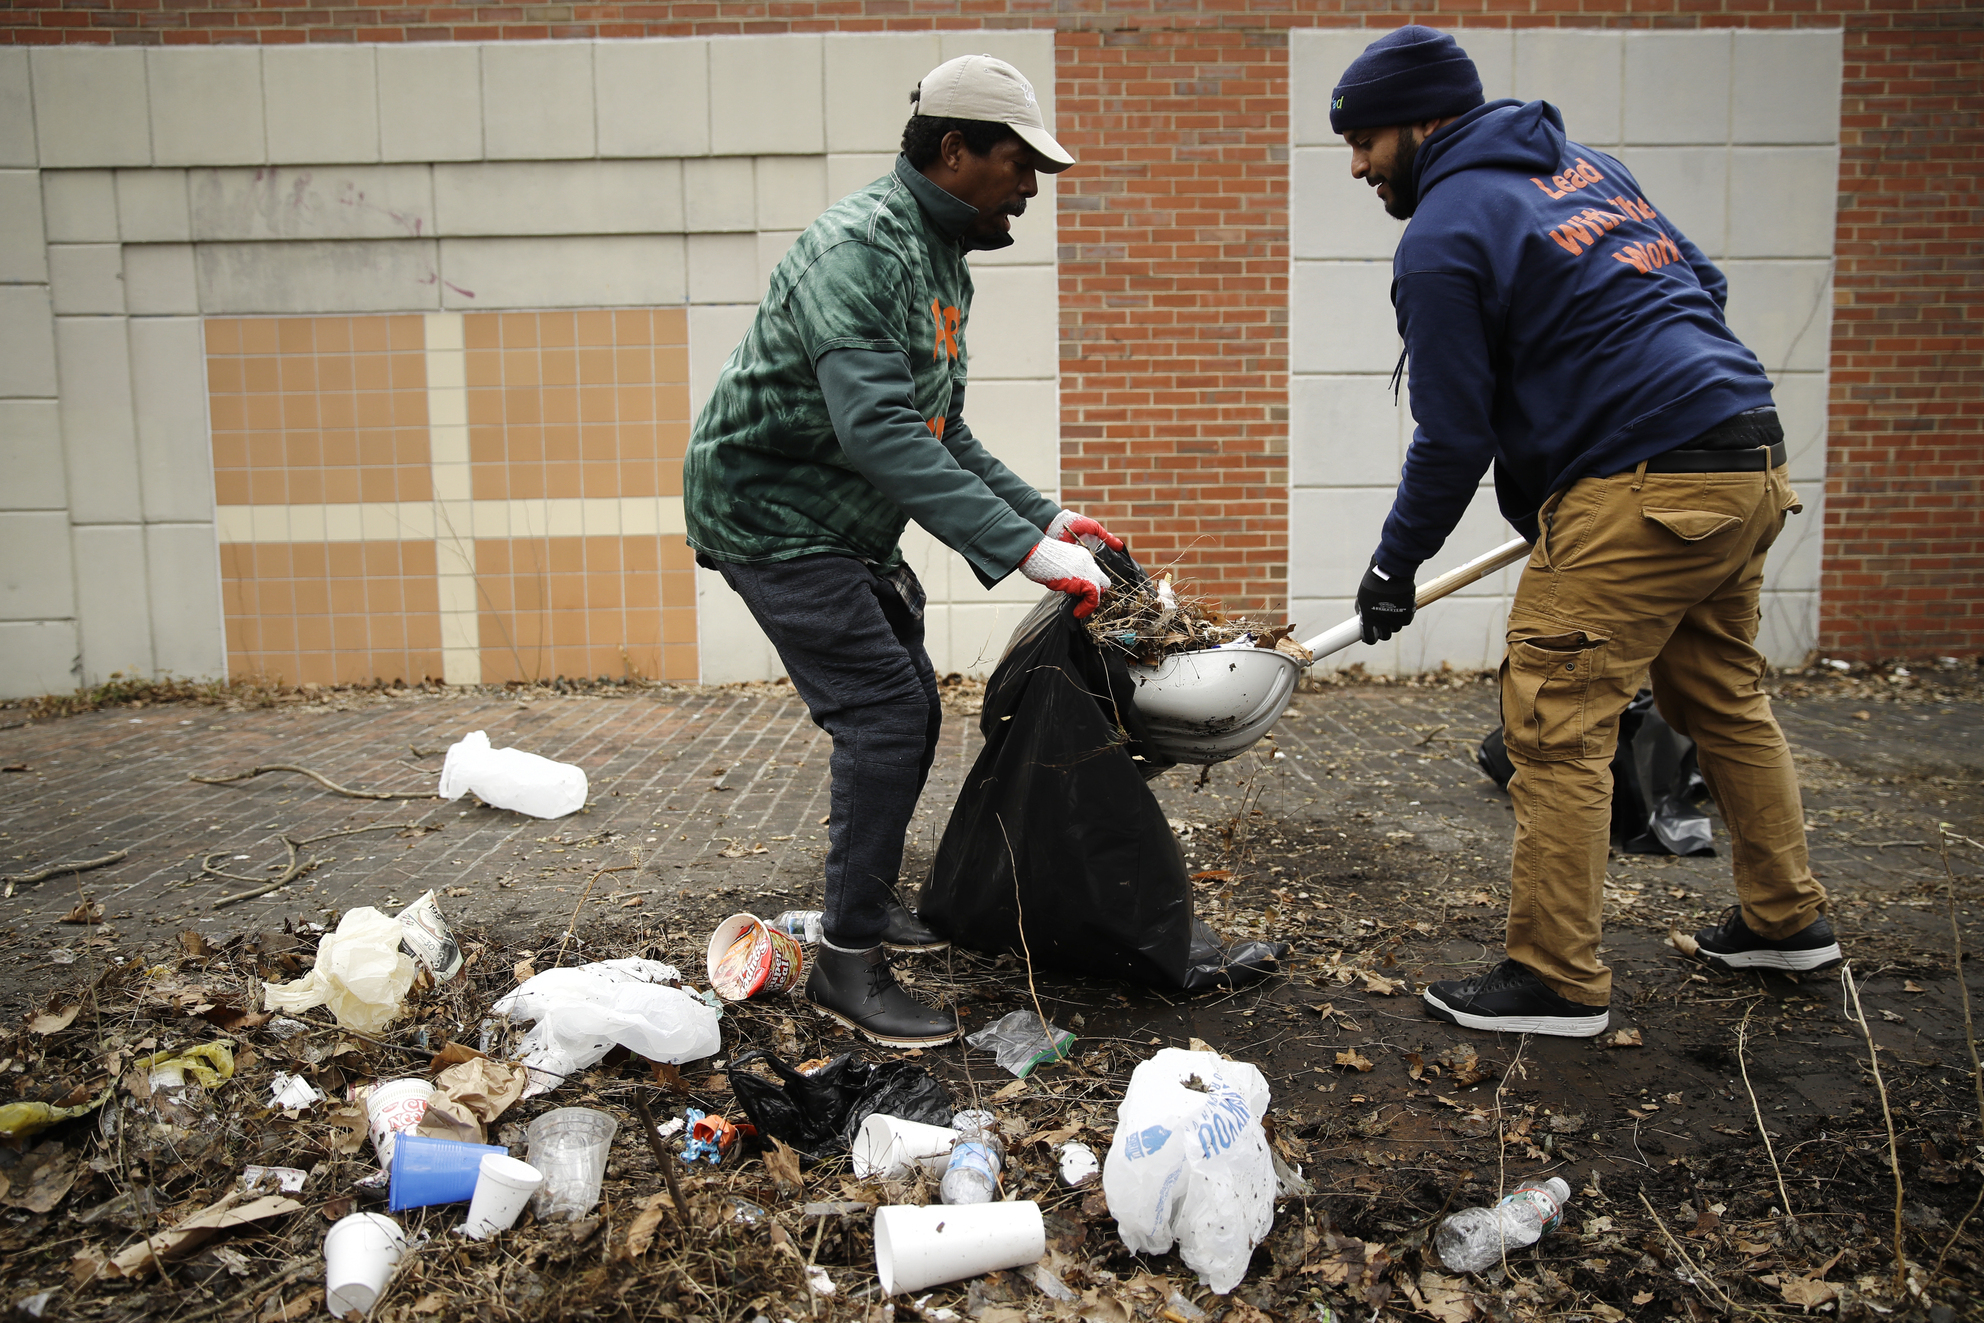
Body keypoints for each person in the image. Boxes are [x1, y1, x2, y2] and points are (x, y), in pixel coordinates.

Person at [1329, 25, 1841, 1038]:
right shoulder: (1585, 170)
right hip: (1746, 454)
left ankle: (1555, 978)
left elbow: (1452, 434)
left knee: (1554, 721)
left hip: (1645, 481)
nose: (1356, 165)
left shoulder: (1440, 236)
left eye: (1366, 140)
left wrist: (1393, 565)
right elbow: (1704, 290)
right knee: (1719, 695)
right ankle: (1786, 922)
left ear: (1423, 121)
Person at [684, 55, 1123, 1049]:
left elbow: (936, 431)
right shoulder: (857, 251)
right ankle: (844, 967)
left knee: (907, 702)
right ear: (955, 149)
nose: (1030, 187)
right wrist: (1020, 552)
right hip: (769, 513)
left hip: (841, 521)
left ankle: (866, 901)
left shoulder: (938, 259)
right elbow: (877, 432)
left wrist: (1043, 521)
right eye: (1018, 164)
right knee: (885, 712)